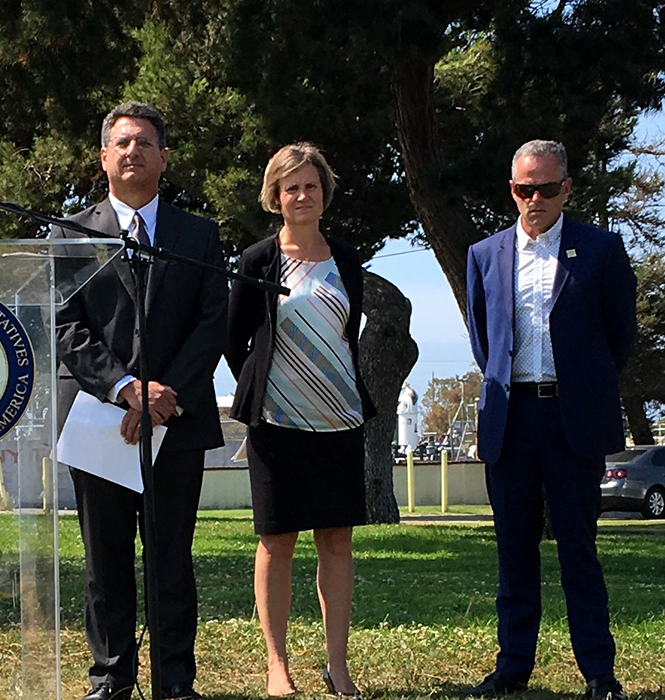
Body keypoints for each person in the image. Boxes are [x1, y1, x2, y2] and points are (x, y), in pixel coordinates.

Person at [53, 102, 227, 700]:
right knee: (105, 561)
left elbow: (212, 323)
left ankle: (176, 679)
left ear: (164, 157)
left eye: (145, 143)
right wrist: (126, 388)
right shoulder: (71, 233)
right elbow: (64, 324)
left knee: (171, 556)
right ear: (103, 157)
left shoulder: (199, 236)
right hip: (100, 420)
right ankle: (110, 678)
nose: (133, 152)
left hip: (175, 421)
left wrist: (163, 394)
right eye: (121, 143)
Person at [464, 140, 636, 700]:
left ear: (567, 188)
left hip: (572, 421)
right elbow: (483, 338)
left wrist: (582, 385)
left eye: (543, 187)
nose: (532, 199)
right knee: (514, 553)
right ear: (511, 190)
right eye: (522, 188)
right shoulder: (484, 254)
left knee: (577, 550)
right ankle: (512, 668)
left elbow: (620, 336)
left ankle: (598, 673)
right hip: (510, 420)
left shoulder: (603, 249)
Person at [225, 143, 377, 699]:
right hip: (275, 424)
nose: (302, 195)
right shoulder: (257, 261)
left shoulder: (348, 260)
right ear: (275, 196)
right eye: (291, 187)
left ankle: (337, 666)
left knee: (336, 541)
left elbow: (346, 331)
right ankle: (276, 665)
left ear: (324, 192)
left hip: (341, 419)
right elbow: (233, 338)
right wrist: (268, 385)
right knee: (277, 542)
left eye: (311, 185)